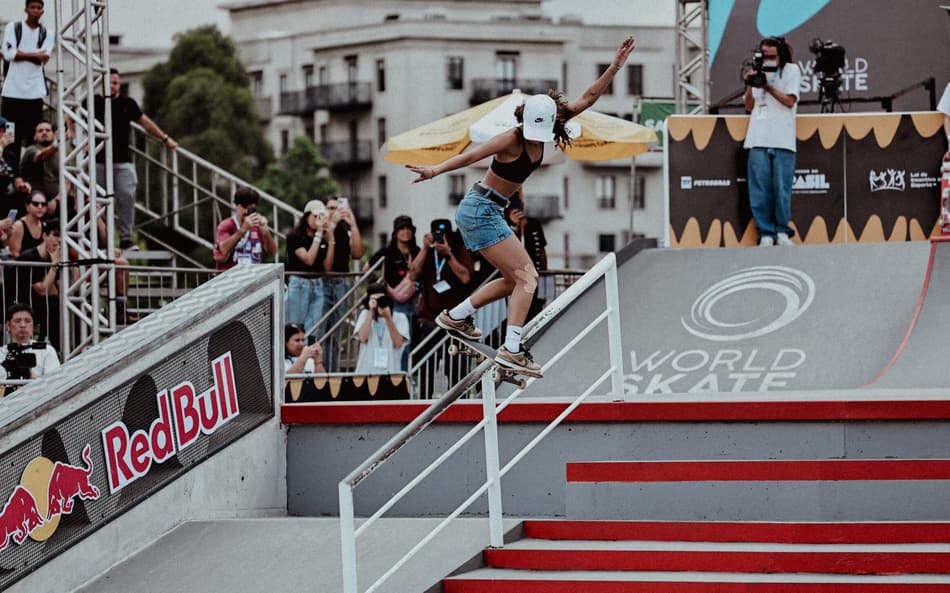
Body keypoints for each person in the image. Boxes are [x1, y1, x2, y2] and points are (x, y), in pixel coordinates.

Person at [405, 36, 636, 377]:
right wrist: (435, 170)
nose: (533, 139)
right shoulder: (510, 139)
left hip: (489, 211)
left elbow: (588, 97)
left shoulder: (555, 119)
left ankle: (457, 315)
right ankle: (512, 348)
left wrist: (615, 66)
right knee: (528, 276)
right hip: (479, 209)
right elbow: (471, 155)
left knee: (517, 279)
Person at [67, 68, 177, 249]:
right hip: (98, 160)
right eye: (108, 82)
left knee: (127, 195)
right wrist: (75, 136)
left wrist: (164, 138)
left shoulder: (127, 103)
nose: (112, 86)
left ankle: (125, 238)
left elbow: (145, 122)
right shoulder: (92, 101)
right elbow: (69, 113)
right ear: (101, 84)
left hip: (123, 160)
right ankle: (100, 238)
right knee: (97, 201)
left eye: (116, 83)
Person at [742, 37, 801, 247]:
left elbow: (789, 101)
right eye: (765, 56)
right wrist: (750, 85)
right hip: (757, 137)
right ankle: (765, 232)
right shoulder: (758, 71)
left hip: (783, 139)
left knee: (781, 189)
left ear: (781, 56)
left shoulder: (791, 71)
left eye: (772, 57)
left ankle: (782, 231)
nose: (768, 60)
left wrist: (767, 87)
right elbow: (749, 107)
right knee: (759, 189)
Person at [410, 218, 474, 396]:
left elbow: (465, 277)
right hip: (430, 319)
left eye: (445, 235)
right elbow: (413, 275)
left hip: (455, 321)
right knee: (426, 370)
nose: (441, 239)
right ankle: (424, 408)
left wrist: (448, 255)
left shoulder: (460, 250)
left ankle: (460, 408)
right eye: (437, 235)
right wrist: (424, 248)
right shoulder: (428, 253)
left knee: (457, 372)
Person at [0, 0, 54, 178]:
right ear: (26, 9)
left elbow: (44, 58)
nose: (35, 11)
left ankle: (32, 179)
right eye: (32, 7)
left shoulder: (47, 33)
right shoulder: (14, 28)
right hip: (12, 93)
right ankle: (11, 177)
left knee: (34, 140)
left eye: (39, 8)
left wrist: (21, 54)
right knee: (10, 139)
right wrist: (33, 55)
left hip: (34, 93)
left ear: (42, 11)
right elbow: (8, 54)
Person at [321, 196, 364, 371]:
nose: (334, 211)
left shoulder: (345, 231)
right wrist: (331, 223)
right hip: (323, 282)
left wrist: (352, 223)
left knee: (337, 331)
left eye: (337, 208)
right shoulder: (321, 227)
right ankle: (321, 369)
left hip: (341, 283)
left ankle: (332, 370)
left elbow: (358, 253)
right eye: (330, 208)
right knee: (322, 330)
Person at [365, 214, 420, 343]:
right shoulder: (388, 251)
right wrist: (377, 286)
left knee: (413, 333)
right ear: (395, 232)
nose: (405, 232)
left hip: (414, 297)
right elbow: (367, 268)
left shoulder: (417, 251)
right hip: (393, 298)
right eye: (402, 229)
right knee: (399, 332)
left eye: (408, 228)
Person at [13, 218, 61, 349]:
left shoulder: (53, 258)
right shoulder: (28, 258)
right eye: (56, 235)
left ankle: (53, 347)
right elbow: (42, 289)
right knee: (53, 305)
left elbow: (54, 291)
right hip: (17, 303)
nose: (59, 240)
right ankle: (51, 347)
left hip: (39, 304)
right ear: (44, 236)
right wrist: (54, 266)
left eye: (62, 237)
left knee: (58, 304)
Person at [284, 199, 329, 331]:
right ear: (306, 216)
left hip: (317, 283)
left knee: (314, 328)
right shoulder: (294, 236)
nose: (318, 220)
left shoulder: (323, 238)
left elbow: (327, 265)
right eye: (315, 216)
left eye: (322, 216)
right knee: (295, 327)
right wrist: (319, 234)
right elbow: (308, 259)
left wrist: (330, 239)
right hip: (299, 283)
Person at [505, 192, 549, 320]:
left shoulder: (534, 224)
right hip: (517, 279)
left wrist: (543, 275)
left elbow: (541, 251)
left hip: (534, 277)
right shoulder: (505, 227)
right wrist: (513, 226)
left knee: (535, 312)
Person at [213, 187, 277, 271]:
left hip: (252, 277)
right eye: (244, 207)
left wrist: (265, 230)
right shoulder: (227, 225)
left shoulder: (257, 226)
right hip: (230, 278)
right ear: (236, 205)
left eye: (251, 209)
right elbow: (224, 250)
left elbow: (272, 252)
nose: (247, 212)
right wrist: (243, 230)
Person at [353, 282, 409, 374]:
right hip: (366, 372)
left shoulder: (400, 318)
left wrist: (388, 317)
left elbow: (398, 343)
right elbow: (362, 338)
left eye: (381, 299)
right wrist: (371, 311)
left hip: (391, 372)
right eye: (375, 300)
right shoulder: (365, 315)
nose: (378, 303)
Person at [0, 303, 60, 385]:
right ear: (8, 325)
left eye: (27, 321)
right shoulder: (1, 353)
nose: (23, 325)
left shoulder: (46, 350)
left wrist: (32, 380)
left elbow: (54, 383)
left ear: (33, 325)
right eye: (17, 321)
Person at [18, 120, 59, 217]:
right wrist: (57, 143)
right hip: (35, 204)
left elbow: (67, 182)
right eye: (40, 131)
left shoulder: (61, 154)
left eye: (48, 130)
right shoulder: (31, 150)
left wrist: (57, 200)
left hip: (56, 203)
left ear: (53, 134)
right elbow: (41, 156)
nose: (44, 132)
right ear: (34, 137)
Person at [6, 189, 45, 258]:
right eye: (35, 204)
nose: (40, 207)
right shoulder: (19, 225)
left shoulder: (44, 225)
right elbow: (14, 253)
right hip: (21, 267)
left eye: (43, 204)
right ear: (27, 206)